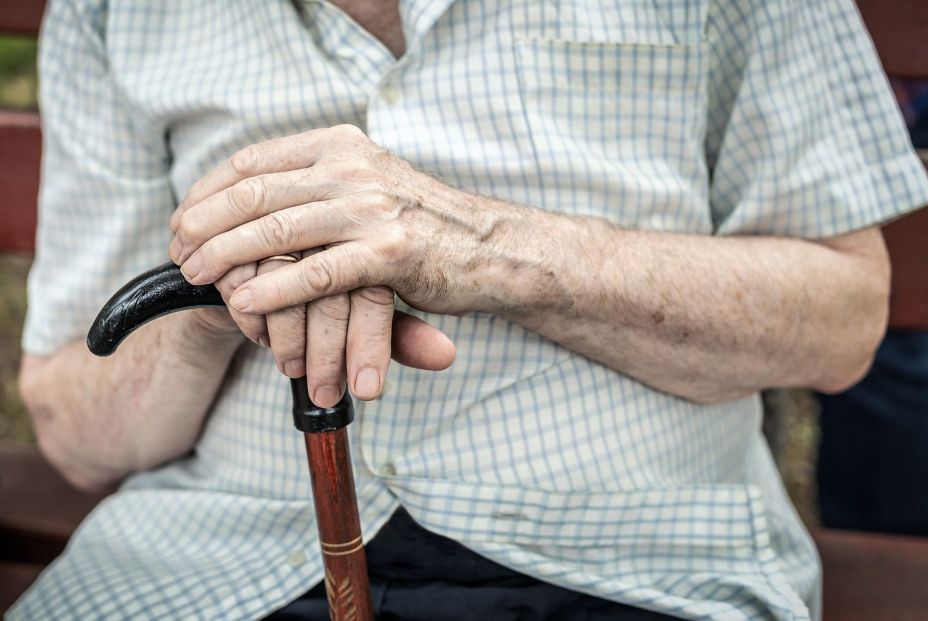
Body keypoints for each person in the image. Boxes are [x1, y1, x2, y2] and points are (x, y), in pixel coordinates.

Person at [10, 0, 928, 619]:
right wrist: (227, 291)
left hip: (643, 559)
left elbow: (844, 318)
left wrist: (470, 245)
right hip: (217, 566)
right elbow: (80, 433)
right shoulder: (114, 11)